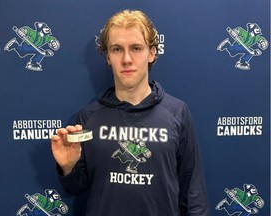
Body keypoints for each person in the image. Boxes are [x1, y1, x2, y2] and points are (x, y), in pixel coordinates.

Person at [51, 9, 210, 216]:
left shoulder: (177, 112)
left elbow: (193, 191)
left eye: (136, 48)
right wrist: (68, 168)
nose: (127, 59)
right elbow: (76, 188)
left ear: (152, 53)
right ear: (108, 56)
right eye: (117, 49)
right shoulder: (89, 117)